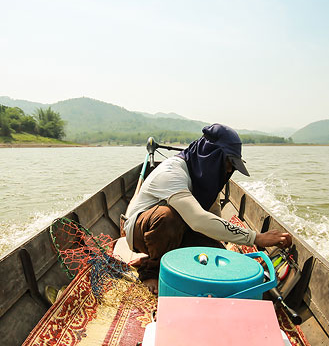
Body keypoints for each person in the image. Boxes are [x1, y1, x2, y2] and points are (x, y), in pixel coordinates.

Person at [123, 124, 292, 294]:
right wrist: (255, 238)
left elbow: (212, 220)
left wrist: (219, 247)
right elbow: (199, 220)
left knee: (216, 258)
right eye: (227, 162)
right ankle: (151, 269)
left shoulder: (206, 180)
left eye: (232, 166)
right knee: (168, 217)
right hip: (140, 233)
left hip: (181, 229)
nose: (228, 170)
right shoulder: (171, 173)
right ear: (211, 156)